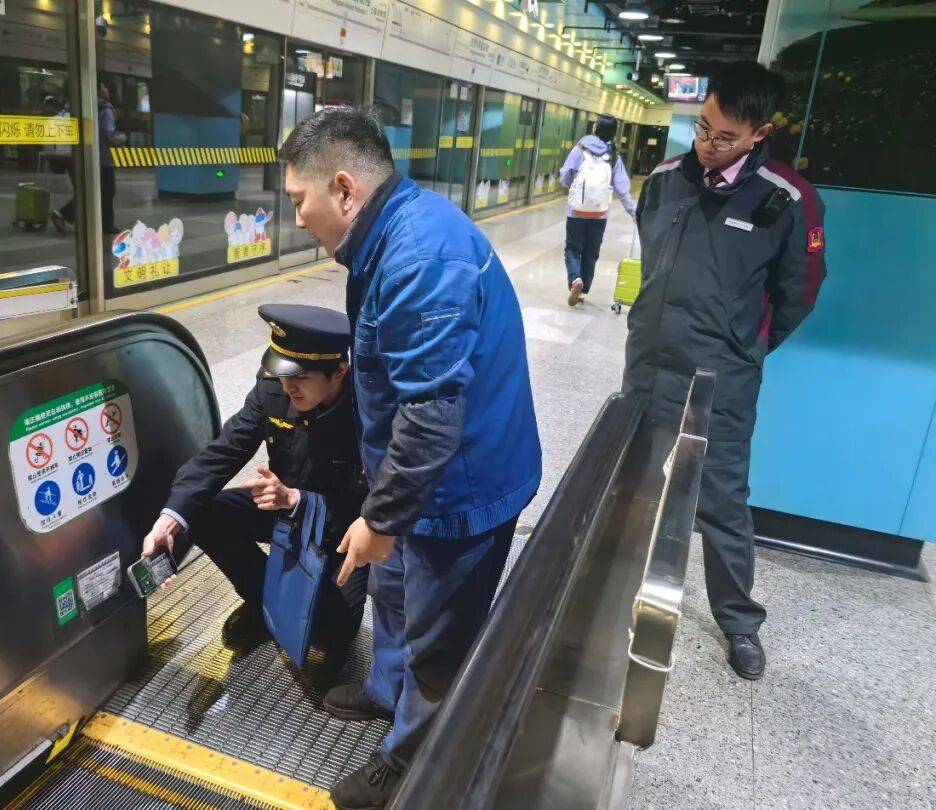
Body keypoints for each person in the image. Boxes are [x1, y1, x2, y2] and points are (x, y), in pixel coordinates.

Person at [279, 108, 542, 809]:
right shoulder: (388, 234)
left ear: (343, 189)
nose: (298, 219)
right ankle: (385, 689)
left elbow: (431, 418)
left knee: (437, 637)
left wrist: (382, 518)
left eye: (300, 200)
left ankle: (413, 757)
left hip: (458, 489)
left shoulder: (421, 257)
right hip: (408, 479)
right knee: (392, 594)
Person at [624, 62, 827, 681]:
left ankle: (739, 621)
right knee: (633, 485)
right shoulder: (666, 179)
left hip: (721, 380)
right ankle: (616, 590)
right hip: (649, 366)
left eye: (725, 137)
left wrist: (744, 348)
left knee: (721, 501)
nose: (708, 145)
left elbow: (798, 294)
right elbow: (650, 256)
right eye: (703, 128)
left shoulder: (786, 199)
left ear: (760, 133)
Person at [142, 304, 369, 665]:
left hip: (339, 527)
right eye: (281, 373)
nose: (287, 385)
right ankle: (264, 602)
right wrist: (169, 520)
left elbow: (367, 504)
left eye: (300, 376)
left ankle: (296, 606)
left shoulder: (368, 411)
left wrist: (297, 500)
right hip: (279, 508)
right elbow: (224, 451)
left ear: (339, 370)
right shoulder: (273, 388)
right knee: (202, 511)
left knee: (330, 634)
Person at [558, 114, 637, 306]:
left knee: (573, 248)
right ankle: (583, 288)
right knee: (591, 252)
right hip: (600, 214)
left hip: (576, 211)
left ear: (595, 128)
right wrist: (635, 213)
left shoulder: (580, 149)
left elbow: (564, 175)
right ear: (614, 133)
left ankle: (575, 279)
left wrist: (573, 187)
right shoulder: (613, 156)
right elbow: (622, 188)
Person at [51, 83, 119, 234]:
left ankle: (105, 224)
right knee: (105, 191)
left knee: (95, 191)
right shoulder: (105, 109)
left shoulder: (82, 107)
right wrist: (120, 140)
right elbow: (110, 135)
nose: (107, 90)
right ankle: (64, 213)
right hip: (103, 157)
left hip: (85, 156)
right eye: (104, 87)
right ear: (99, 90)